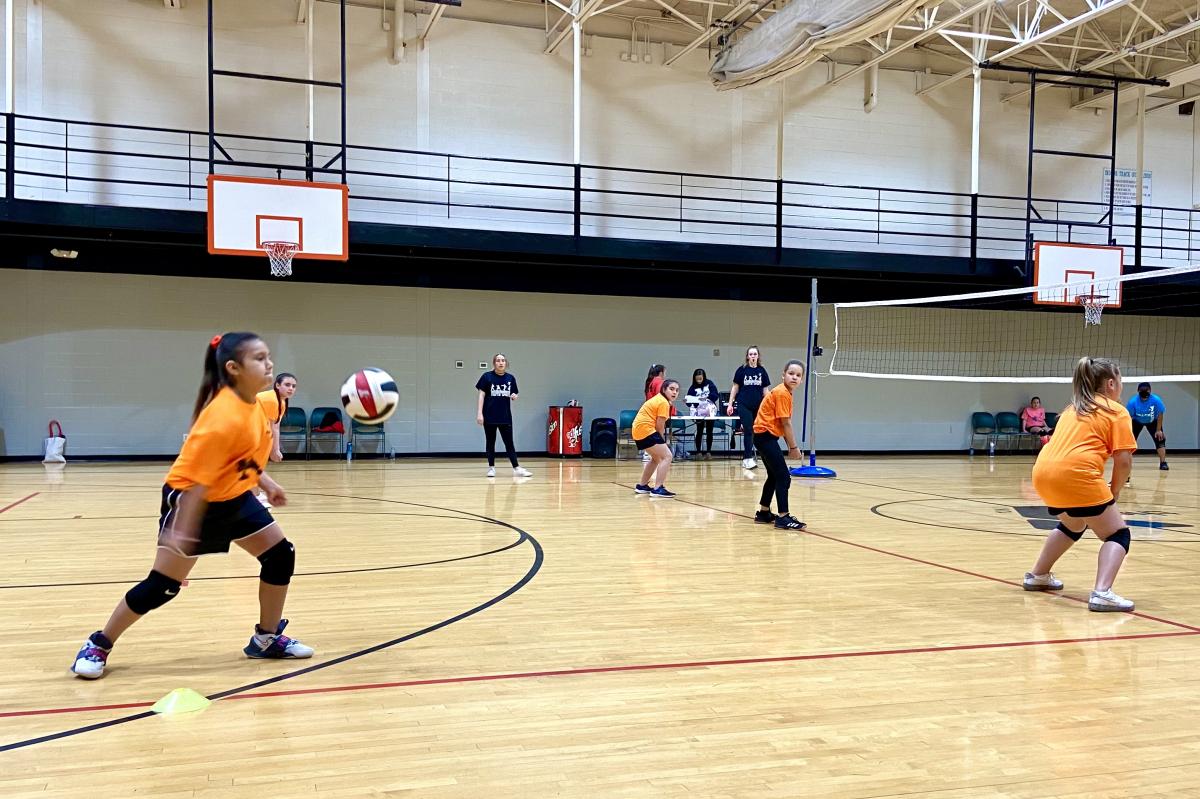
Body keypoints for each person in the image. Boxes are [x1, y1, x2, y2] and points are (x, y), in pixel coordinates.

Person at [70, 333, 314, 679]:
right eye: (259, 358)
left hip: (233, 495)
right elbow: (200, 484)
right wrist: (181, 531)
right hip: (193, 500)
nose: (269, 364)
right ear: (233, 368)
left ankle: (267, 638)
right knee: (162, 586)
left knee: (280, 554)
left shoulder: (258, 403)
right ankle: (99, 643)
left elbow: (242, 456)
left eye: (268, 356)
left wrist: (267, 483)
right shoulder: (222, 415)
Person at [1024, 357, 1137, 612]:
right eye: (1120, 381)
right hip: (1076, 475)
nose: (1121, 386)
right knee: (1118, 534)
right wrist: (1114, 492)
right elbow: (1123, 461)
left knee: (1073, 523)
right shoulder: (1116, 411)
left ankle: (1038, 575)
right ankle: (1102, 593)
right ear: (1110, 383)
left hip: (1043, 473)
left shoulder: (1072, 408)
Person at [752, 360, 806, 530]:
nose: (794, 377)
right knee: (783, 476)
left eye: (798, 375)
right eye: (791, 373)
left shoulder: (785, 393)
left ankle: (764, 512)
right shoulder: (782, 393)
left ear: (802, 380)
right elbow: (786, 423)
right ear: (783, 375)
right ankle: (783, 517)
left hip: (764, 437)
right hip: (765, 437)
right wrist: (793, 447)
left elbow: (781, 424)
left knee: (774, 476)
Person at [476, 353, 533, 479]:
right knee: (490, 442)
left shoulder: (510, 378)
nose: (500, 363)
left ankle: (516, 468)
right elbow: (481, 395)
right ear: (494, 363)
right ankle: (491, 468)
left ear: (506, 363)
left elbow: (514, 393)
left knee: (509, 443)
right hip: (489, 416)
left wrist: (514, 396)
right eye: (498, 360)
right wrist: (479, 413)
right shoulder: (486, 377)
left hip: (505, 416)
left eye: (503, 360)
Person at [255, 372, 298, 507]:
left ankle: (255, 494)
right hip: (247, 433)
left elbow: (275, 426)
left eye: (293, 386)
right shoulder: (271, 400)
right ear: (277, 385)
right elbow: (271, 428)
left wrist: (275, 448)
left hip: (256, 432)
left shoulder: (281, 402)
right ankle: (254, 497)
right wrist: (274, 449)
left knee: (256, 466)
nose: (291, 388)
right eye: (287, 385)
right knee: (254, 467)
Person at [632, 378, 679, 498]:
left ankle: (642, 486)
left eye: (677, 390)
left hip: (638, 430)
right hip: (646, 430)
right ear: (664, 389)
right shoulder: (663, 402)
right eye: (671, 389)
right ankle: (658, 488)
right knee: (667, 456)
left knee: (656, 458)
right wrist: (662, 440)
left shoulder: (659, 399)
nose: (674, 392)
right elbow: (660, 425)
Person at [726, 346, 770, 469]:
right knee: (748, 430)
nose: (753, 356)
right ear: (747, 356)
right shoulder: (742, 370)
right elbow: (735, 387)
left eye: (755, 354)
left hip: (758, 405)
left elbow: (765, 390)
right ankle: (747, 458)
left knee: (756, 430)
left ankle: (755, 455)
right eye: (750, 354)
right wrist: (730, 404)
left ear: (758, 356)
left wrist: (771, 404)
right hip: (743, 404)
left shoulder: (762, 371)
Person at [1126, 381, 1168, 470]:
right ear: (1138, 391)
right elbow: (1128, 417)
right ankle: (1126, 463)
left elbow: (1160, 414)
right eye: (1142, 390)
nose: (1144, 392)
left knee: (1160, 439)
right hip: (1137, 421)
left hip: (1152, 421)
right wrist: (1128, 431)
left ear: (1150, 391)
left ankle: (1163, 463)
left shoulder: (1156, 400)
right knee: (1129, 441)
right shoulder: (1133, 402)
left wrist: (1158, 430)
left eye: (1146, 390)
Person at [686, 368, 721, 459]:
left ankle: (708, 452)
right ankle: (698, 452)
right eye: (697, 379)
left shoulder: (710, 384)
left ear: (704, 377)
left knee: (709, 431)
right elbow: (688, 400)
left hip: (710, 410)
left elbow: (715, 395)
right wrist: (693, 402)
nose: (699, 381)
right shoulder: (693, 387)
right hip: (699, 411)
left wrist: (706, 398)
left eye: (700, 379)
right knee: (699, 431)